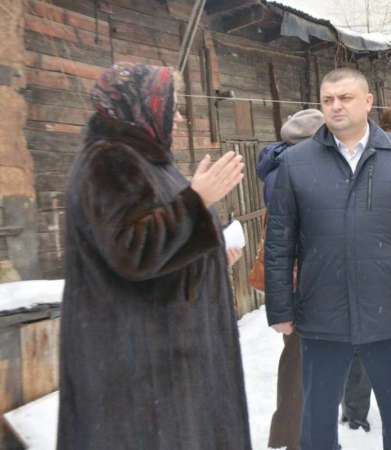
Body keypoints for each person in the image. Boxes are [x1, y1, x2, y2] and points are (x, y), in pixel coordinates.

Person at [57, 63, 252, 450]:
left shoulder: (147, 161)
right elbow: (133, 251)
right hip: (139, 363)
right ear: (141, 106)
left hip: (168, 358)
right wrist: (198, 199)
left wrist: (209, 260)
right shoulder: (108, 162)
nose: (178, 118)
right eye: (172, 107)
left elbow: (161, 246)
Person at [265, 68, 391, 450]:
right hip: (321, 315)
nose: (336, 106)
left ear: (367, 102)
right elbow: (280, 243)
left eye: (345, 98)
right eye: (328, 99)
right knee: (316, 422)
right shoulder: (297, 162)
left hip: (390, 312)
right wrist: (280, 308)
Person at [336, 101, 391, 435]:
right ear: (390, 132)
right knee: (361, 352)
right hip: (367, 274)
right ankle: (355, 410)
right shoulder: (365, 162)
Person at [257, 108, 324, 450]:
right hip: (303, 279)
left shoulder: (280, 167)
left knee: (299, 359)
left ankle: (290, 434)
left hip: (296, 278)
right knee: (304, 361)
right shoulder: (295, 172)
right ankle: (298, 438)